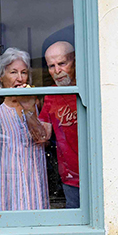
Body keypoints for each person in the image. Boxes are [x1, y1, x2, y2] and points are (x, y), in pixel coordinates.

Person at [0, 48, 52, 211]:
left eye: (24, 72)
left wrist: (29, 109)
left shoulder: (36, 104)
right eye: (13, 72)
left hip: (32, 180)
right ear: (1, 76)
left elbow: (43, 138)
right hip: (2, 183)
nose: (20, 78)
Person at [39, 41, 81, 209]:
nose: (57, 71)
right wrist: (25, 106)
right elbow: (43, 136)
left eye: (62, 63)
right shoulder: (51, 94)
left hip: (99, 170)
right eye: (51, 66)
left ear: (75, 62)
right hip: (69, 175)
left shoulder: (89, 87)